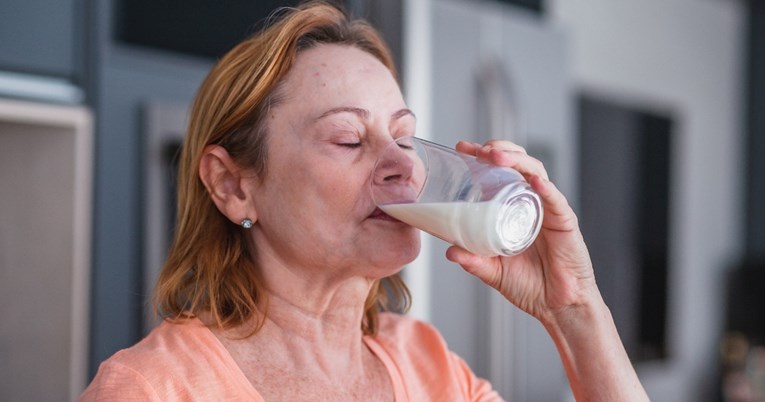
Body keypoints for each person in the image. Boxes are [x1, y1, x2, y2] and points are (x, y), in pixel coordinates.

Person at [80, 1, 649, 401]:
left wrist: (572, 310)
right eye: (350, 139)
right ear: (233, 186)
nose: (403, 164)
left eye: (403, 136)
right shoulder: (151, 391)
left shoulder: (429, 367)